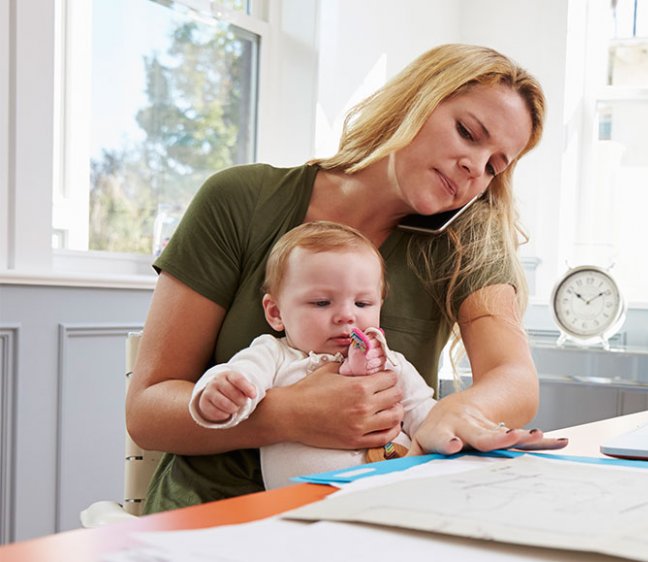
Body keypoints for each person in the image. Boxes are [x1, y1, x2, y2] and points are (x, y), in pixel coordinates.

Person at [126, 43, 564, 513]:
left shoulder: (465, 242)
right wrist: (290, 415)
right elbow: (148, 412)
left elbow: (515, 379)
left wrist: (451, 414)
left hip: (370, 514)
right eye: (467, 133)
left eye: (495, 166)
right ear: (415, 99)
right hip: (212, 517)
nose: (475, 168)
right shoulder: (240, 200)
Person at [190, 221, 435, 489]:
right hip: (306, 507)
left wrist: (453, 437)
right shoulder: (273, 355)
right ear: (275, 312)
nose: (347, 316)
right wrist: (220, 394)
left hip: (394, 493)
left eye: (362, 303)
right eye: (321, 302)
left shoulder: (390, 361)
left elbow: (426, 415)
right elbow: (239, 376)